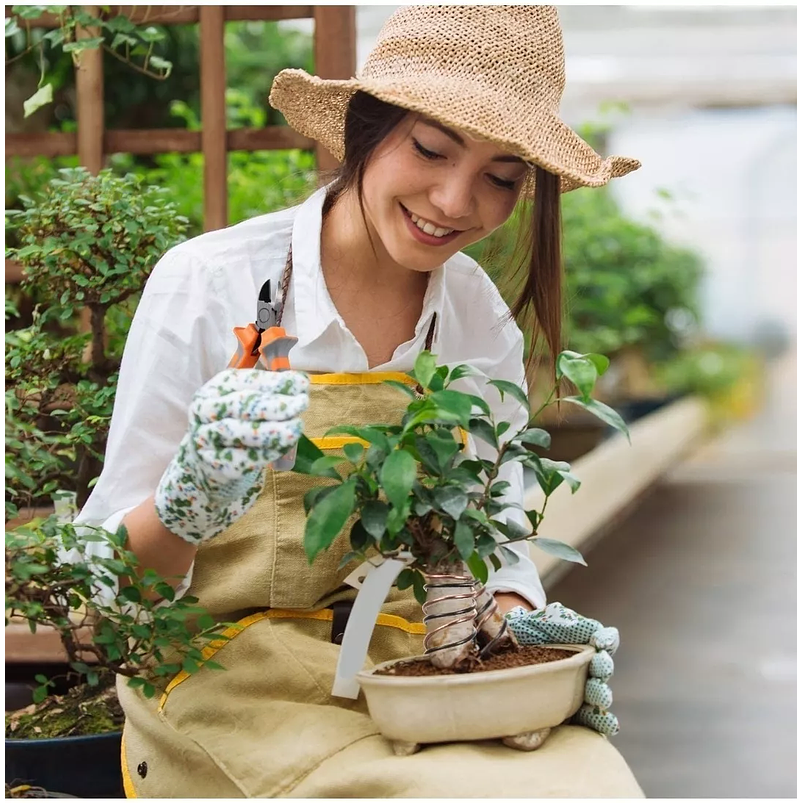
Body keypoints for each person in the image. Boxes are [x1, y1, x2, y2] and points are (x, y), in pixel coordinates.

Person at [75, 6, 643, 798]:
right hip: (224, 683)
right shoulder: (213, 286)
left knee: (592, 782)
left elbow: (496, 536)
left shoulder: (474, 316)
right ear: (363, 130)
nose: (453, 200)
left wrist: (518, 621)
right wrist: (186, 503)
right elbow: (105, 596)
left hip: (414, 673)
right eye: (430, 149)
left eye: (501, 178)